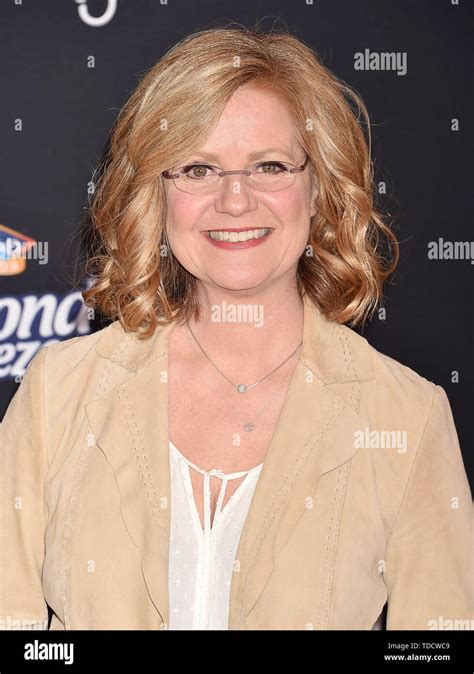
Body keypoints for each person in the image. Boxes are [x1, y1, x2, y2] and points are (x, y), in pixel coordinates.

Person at [1, 24, 472, 631]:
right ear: (156, 193)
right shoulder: (58, 394)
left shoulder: (405, 418)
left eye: (269, 165)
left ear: (318, 188)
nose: (235, 199)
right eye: (198, 169)